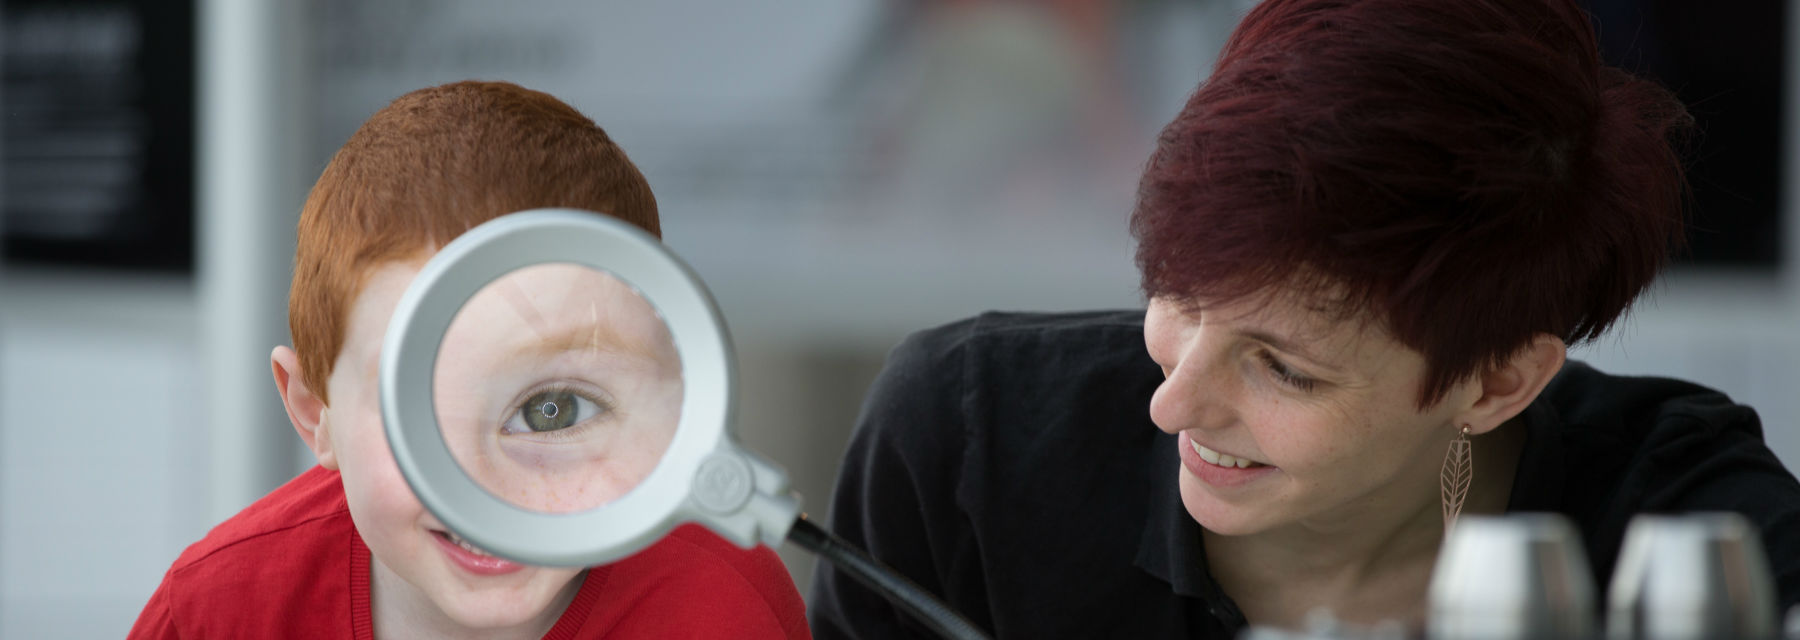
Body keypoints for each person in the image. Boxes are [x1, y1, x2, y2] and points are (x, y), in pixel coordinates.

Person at [808, 0, 1800, 637]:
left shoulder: (1689, 530)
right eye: (1179, 298)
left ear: (1496, 380)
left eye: (1283, 368)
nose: (1174, 401)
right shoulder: (971, 443)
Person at [130, 81, 811, 639]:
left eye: (553, 410)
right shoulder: (219, 612)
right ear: (315, 413)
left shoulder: (719, 606)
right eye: (411, 409)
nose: (484, 488)